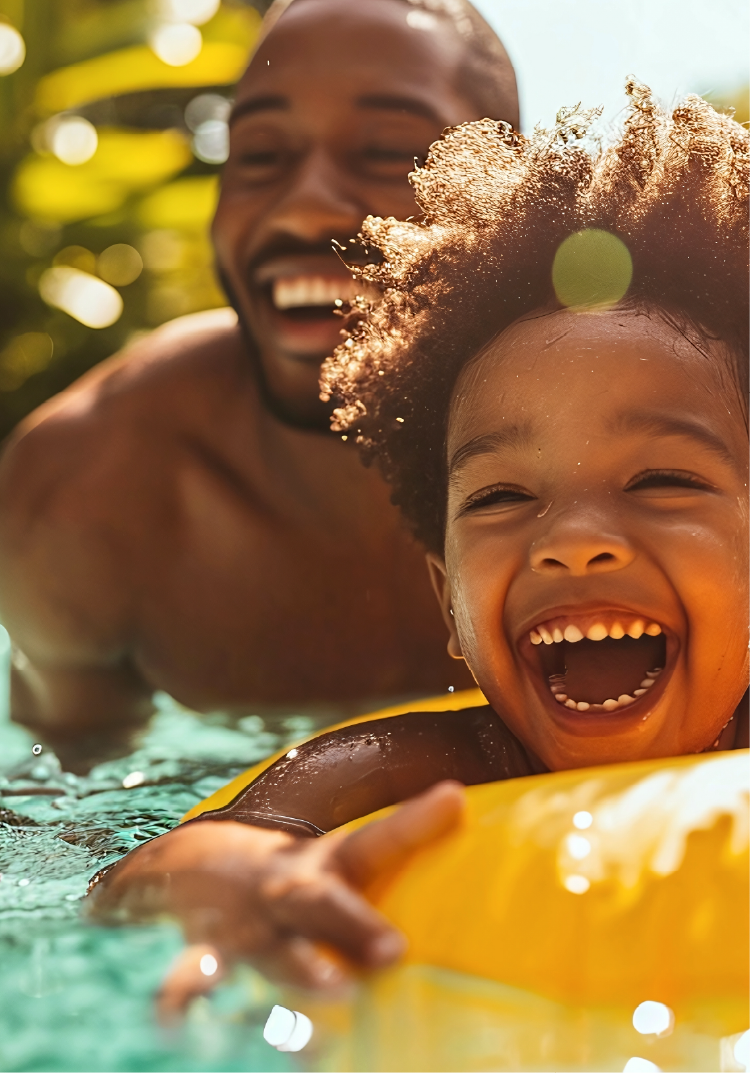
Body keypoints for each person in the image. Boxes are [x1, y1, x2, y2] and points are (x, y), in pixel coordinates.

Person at [87, 82, 750, 999]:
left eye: (662, 480)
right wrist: (246, 878)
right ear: (447, 600)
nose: (574, 541)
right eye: (503, 494)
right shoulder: (423, 765)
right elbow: (161, 864)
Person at [0, 0, 519, 768]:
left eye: (386, 149)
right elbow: (63, 802)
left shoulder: (642, 448)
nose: (303, 206)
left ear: (512, 194)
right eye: (261, 154)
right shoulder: (89, 496)